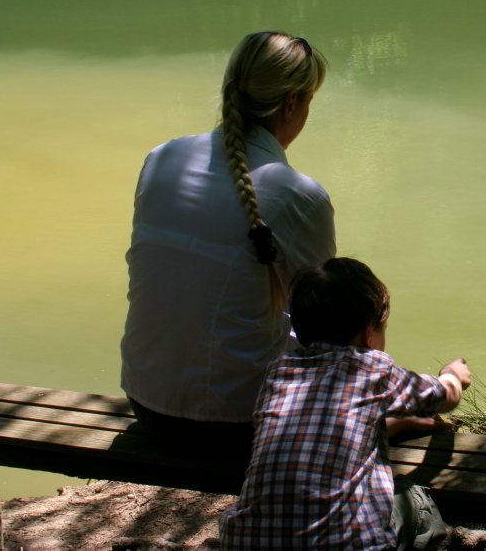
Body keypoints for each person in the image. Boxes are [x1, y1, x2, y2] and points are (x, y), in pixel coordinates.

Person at [120, 31, 333, 459]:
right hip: (239, 424)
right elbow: (324, 328)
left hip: (146, 403)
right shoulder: (299, 195)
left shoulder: (161, 158)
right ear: (291, 103)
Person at [219, 257, 473, 551]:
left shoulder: (280, 370)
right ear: (369, 331)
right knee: (417, 502)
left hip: (247, 542)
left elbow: (323, 433)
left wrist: (400, 422)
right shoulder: (372, 368)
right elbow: (444, 398)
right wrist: (452, 375)